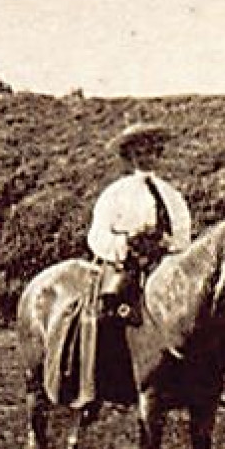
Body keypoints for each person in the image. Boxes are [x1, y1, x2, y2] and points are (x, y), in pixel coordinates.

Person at [87, 123, 192, 326]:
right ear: (129, 157)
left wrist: (167, 242)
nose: (146, 158)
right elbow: (97, 235)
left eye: (151, 151)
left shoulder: (172, 196)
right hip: (125, 266)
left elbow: (183, 236)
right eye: (139, 152)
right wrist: (126, 241)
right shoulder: (115, 193)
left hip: (165, 265)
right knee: (108, 312)